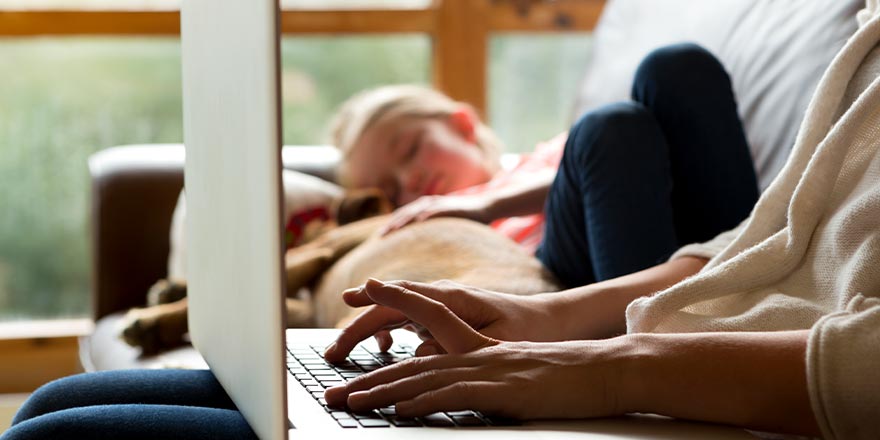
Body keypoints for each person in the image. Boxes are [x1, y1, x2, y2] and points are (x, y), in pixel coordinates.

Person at [320, 4, 880, 439]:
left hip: (678, 235)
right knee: (613, 126)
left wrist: (488, 202)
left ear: (463, 124)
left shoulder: (529, 166)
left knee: (672, 70)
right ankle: (670, 320)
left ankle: (678, 324)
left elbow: (593, 159)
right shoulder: (450, 227)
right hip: (601, 263)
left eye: (412, 149)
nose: (411, 183)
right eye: (391, 188)